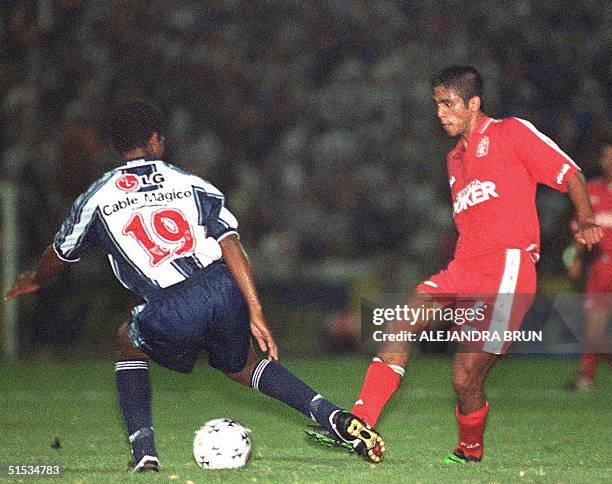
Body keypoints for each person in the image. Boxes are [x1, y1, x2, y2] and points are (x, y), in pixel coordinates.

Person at [4, 100, 384, 471]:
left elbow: (59, 253)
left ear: (116, 146)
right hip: (221, 285)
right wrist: (255, 309)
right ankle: (331, 415)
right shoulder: (189, 183)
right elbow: (230, 242)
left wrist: (34, 278)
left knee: (127, 339)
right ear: (155, 140)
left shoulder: (97, 197)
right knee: (246, 367)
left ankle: (144, 453)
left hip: (174, 303)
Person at [306, 65, 603, 463]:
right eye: (437, 105)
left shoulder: (510, 133)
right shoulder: (454, 159)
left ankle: (470, 449)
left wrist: (584, 221)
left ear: (473, 103)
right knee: (404, 317)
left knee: (465, 377)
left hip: (506, 269)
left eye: (448, 104)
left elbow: (571, 173)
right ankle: (359, 423)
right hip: (463, 268)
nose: (441, 113)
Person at [564, 141, 612, 391]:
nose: (609, 162)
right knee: (594, 331)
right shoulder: (590, 190)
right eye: (606, 157)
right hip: (600, 270)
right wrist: (574, 257)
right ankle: (586, 376)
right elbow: (580, 230)